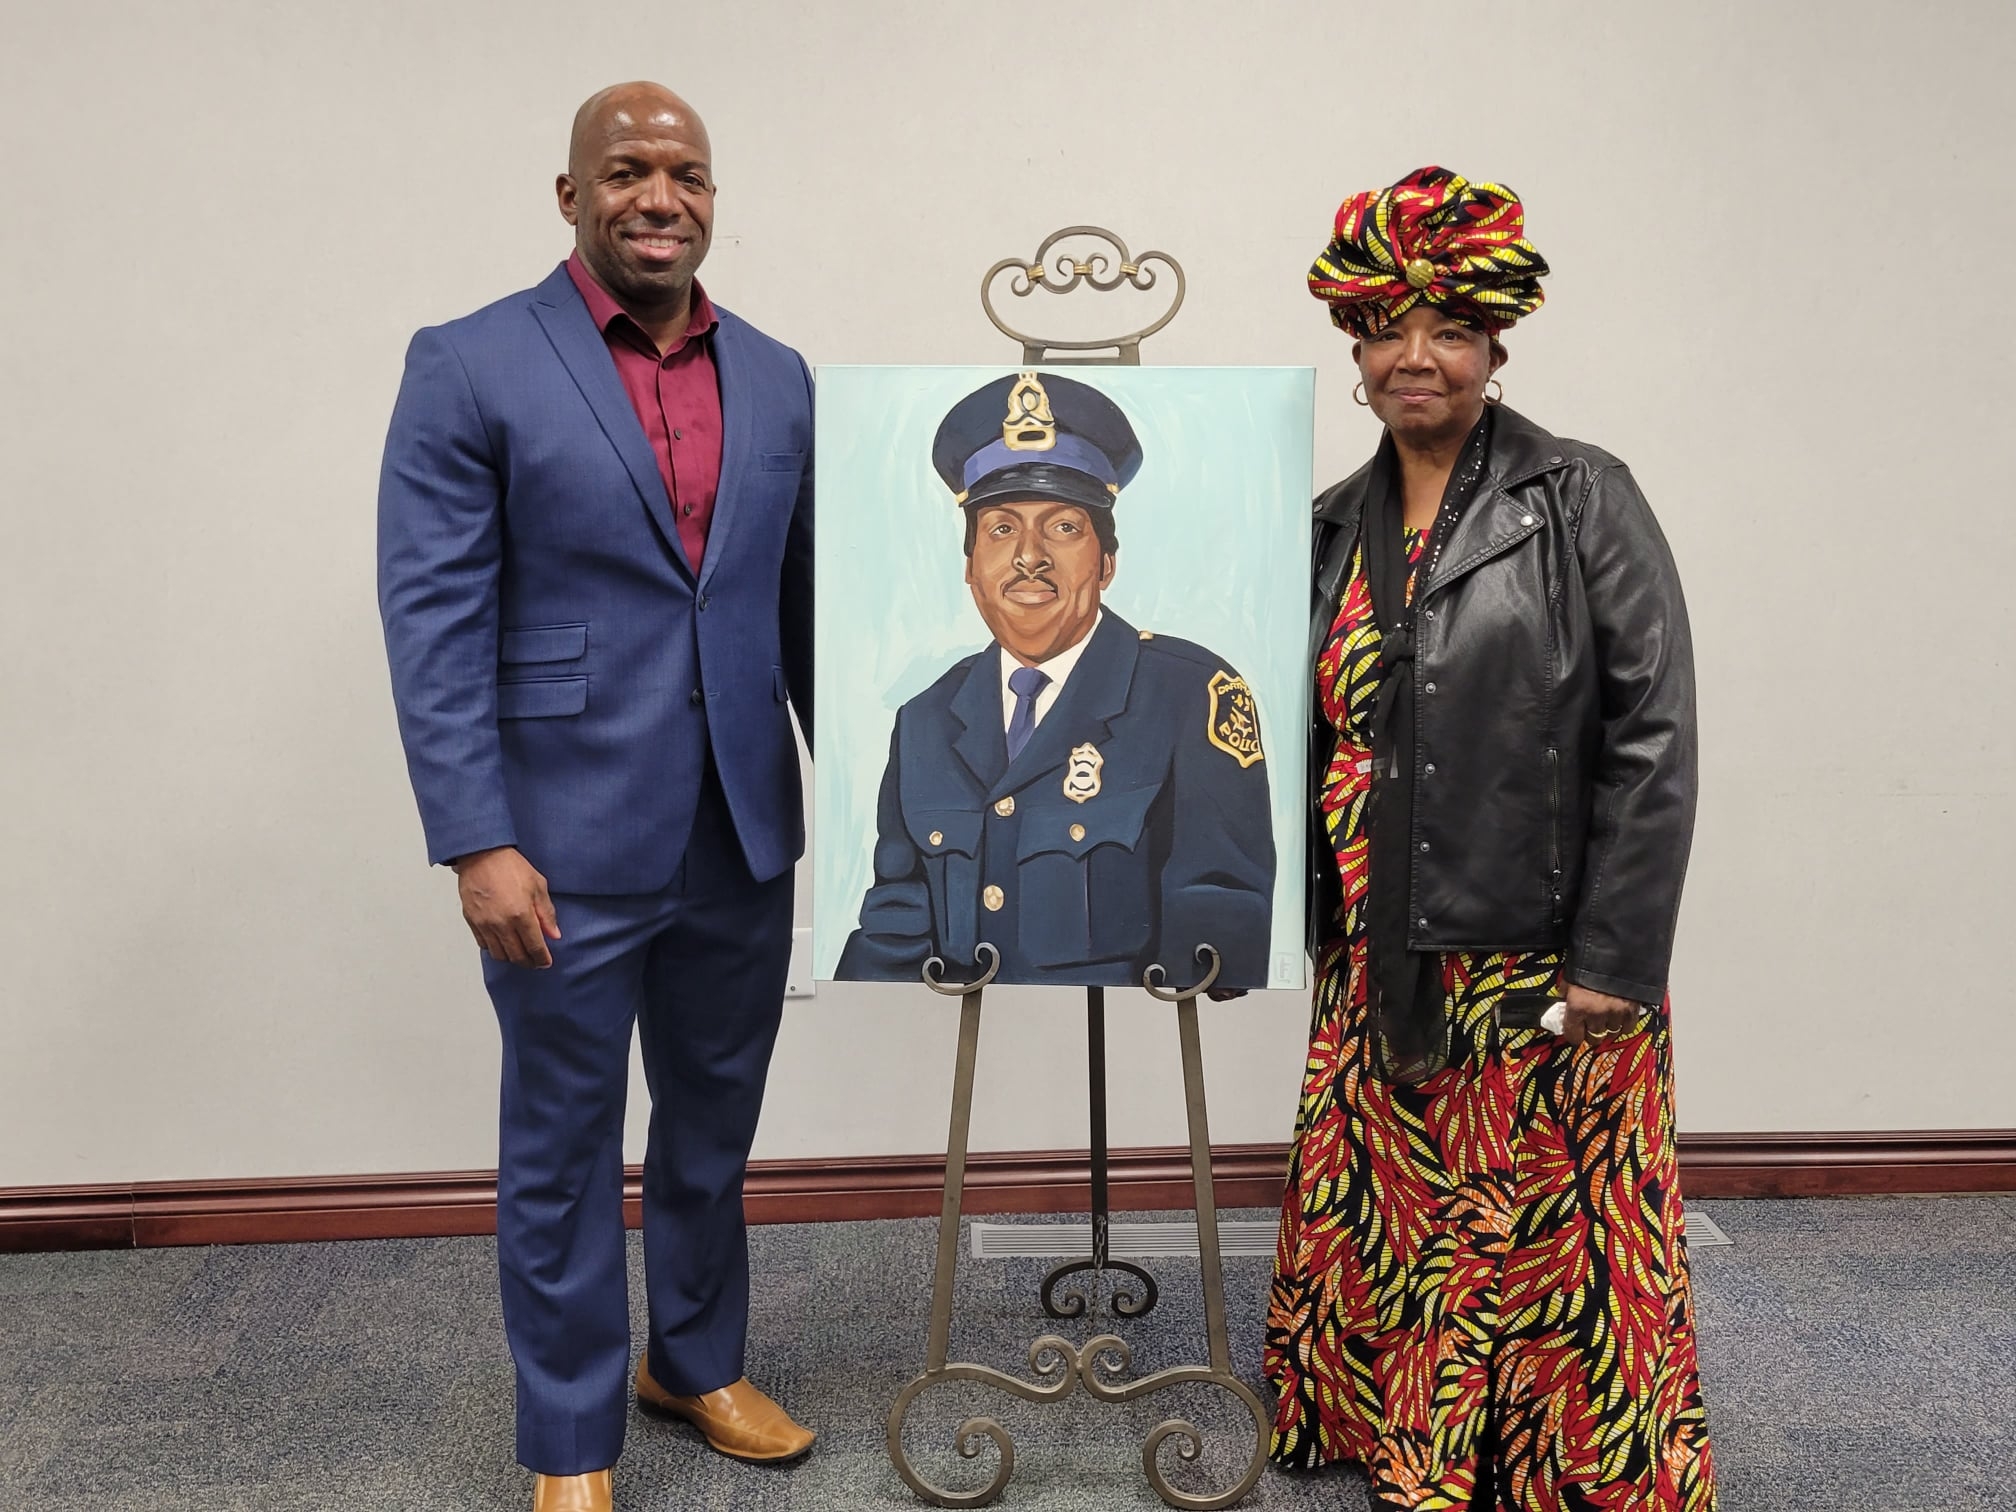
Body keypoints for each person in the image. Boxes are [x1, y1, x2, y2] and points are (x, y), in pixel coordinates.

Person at [378, 83, 815, 1512]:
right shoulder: (471, 363)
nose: (659, 195)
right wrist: (474, 840)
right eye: (626, 170)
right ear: (569, 195)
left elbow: (799, 613)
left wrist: (880, 803)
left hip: (741, 825)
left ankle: (691, 1361)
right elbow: (432, 618)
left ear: (711, 197)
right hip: (558, 840)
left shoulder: (781, 374)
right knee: (562, 1143)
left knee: (712, 1120)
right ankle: (569, 1438)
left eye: (685, 172)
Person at [1264, 167, 1717, 1509]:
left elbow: (1654, 736)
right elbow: (1290, 738)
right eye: (1391, 327)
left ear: (1496, 343)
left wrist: (1617, 962)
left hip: (1537, 950)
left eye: (1449, 326)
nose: (1418, 354)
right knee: (1401, 1215)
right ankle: (1398, 1438)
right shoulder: (1331, 527)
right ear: (1354, 344)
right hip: (1375, 946)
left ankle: (1543, 1465)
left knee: (1548, 1229)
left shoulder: (1581, 497)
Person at [836, 370, 1276, 987]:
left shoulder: (1189, 694)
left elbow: (1219, 919)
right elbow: (895, 925)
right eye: (1001, 529)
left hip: (1133, 1043)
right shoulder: (926, 720)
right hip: (975, 1051)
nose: (1029, 557)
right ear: (971, 567)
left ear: (1107, 560)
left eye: (1064, 527)